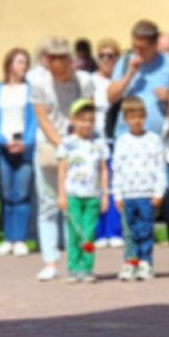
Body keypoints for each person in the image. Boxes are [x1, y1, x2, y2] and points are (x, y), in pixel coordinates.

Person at [107, 20, 169, 267]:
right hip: (128, 141)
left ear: (154, 44)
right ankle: (133, 258)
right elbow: (111, 96)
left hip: (160, 142)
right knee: (130, 202)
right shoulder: (125, 63)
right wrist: (130, 73)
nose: (137, 51)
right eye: (135, 46)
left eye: (142, 48)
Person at [30, 37, 93, 281]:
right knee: (48, 204)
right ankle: (50, 261)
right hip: (50, 147)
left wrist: (76, 143)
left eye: (62, 57)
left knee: (74, 204)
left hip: (78, 147)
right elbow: (43, 118)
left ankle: (74, 260)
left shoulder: (83, 80)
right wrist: (61, 144)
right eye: (52, 57)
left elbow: (88, 112)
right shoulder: (39, 82)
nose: (56, 62)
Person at [0, 47, 38, 257]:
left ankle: (20, 239)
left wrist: (26, 142)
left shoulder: (31, 90)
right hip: (3, 149)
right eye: (20, 62)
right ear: (9, 65)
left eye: (26, 63)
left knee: (22, 195)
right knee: (7, 195)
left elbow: (35, 119)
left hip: (25, 149)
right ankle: (9, 238)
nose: (24, 67)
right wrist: (4, 141)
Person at [111, 97, 167, 281]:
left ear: (145, 117)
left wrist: (159, 192)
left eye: (140, 116)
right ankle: (130, 262)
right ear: (125, 119)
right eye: (132, 117)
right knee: (129, 232)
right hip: (128, 194)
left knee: (145, 230)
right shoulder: (122, 142)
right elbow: (117, 169)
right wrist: (117, 194)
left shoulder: (154, 140)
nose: (136, 121)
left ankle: (145, 263)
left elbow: (160, 168)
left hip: (147, 194)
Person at [56, 98, 109, 282]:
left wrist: (105, 195)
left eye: (90, 120)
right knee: (74, 232)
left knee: (89, 232)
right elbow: (62, 170)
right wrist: (61, 195)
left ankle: (87, 268)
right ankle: (73, 267)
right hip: (73, 195)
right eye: (82, 120)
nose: (86, 124)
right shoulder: (67, 143)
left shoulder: (99, 144)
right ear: (73, 121)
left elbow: (103, 170)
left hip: (92, 196)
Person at [91, 38, 125, 247]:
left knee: (114, 184)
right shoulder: (91, 80)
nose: (106, 60)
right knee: (96, 184)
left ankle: (114, 231)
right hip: (95, 137)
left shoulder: (121, 81)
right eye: (102, 55)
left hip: (114, 138)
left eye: (110, 56)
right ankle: (98, 232)